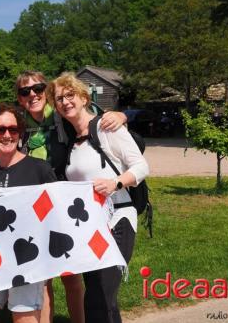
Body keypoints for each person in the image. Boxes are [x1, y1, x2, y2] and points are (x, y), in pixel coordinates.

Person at [14, 70, 128, 323]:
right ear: (20, 98)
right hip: (33, 206)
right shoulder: (19, 125)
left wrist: (121, 115)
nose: (32, 95)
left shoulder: (62, 116)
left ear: (46, 91)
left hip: (65, 204)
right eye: (25, 92)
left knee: (70, 273)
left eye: (38, 89)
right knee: (43, 275)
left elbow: (99, 122)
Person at [46, 72, 149, 323]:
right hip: (88, 226)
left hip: (117, 220)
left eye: (70, 95)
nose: (65, 101)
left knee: (100, 294)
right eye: (59, 99)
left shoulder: (107, 126)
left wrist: (115, 182)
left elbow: (142, 167)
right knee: (101, 296)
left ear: (83, 97)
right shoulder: (71, 141)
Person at [0, 103, 57, 323]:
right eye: (0, 129)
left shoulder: (39, 169)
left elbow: (56, 212)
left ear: (20, 133)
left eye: (13, 130)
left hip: (27, 261)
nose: (7, 135)